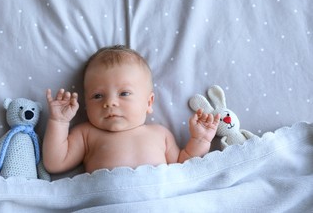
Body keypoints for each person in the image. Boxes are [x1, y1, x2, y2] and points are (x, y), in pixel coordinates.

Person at [43, 45, 220, 174]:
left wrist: (200, 139)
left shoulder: (160, 134)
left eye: (124, 93)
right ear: (86, 105)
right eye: (97, 96)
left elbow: (184, 167)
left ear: (149, 102)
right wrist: (58, 122)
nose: (110, 102)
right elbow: (55, 163)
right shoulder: (87, 134)